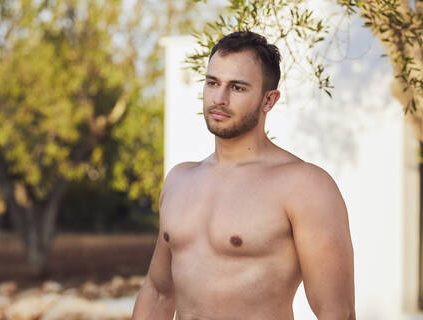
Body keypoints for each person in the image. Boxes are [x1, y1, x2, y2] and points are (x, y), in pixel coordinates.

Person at [132, 31, 355, 320]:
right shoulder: (179, 180)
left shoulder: (304, 186)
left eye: (237, 88)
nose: (220, 98)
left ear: (269, 100)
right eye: (213, 83)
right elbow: (159, 292)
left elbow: (336, 312)